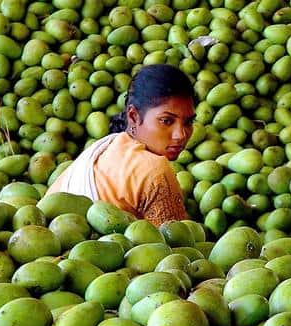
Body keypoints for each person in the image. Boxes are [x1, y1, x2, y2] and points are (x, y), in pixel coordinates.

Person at [46, 64, 196, 226]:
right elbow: (177, 243)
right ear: (133, 116)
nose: (181, 134)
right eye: (166, 121)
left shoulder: (104, 147)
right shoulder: (155, 171)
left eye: (188, 122)